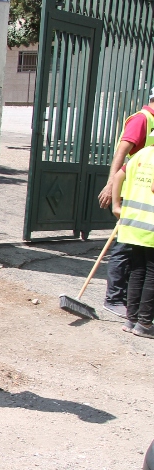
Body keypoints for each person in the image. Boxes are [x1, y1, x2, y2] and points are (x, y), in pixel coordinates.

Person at [98, 86, 154, 318]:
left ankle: (130, 303)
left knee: (133, 251)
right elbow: (121, 153)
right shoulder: (143, 119)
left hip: (140, 193)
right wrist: (111, 185)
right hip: (133, 191)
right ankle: (114, 298)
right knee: (124, 247)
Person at [110, 144, 154, 337]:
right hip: (151, 225)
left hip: (133, 223)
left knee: (137, 270)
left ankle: (132, 319)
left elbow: (118, 176)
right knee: (152, 273)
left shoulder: (142, 154)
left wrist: (116, 205)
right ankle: (145, 323)